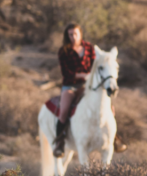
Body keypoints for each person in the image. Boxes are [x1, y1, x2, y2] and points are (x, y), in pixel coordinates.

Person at [54, 24, 127, 156]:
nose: (73, 37)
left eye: (75, 34)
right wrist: (81, 75)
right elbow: (65, 72)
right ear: (67, 36)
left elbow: (97, 66)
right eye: (70, 34)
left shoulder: (89, 48)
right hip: (70, 86)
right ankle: (59, 142)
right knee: (64, 110)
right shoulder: (63, 51)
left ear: (80, 34)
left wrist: (92, 78)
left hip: (89, 85)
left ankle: (114, 138)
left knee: (108, 107)